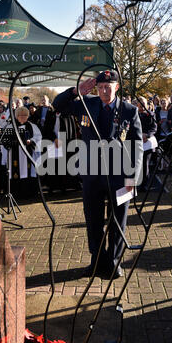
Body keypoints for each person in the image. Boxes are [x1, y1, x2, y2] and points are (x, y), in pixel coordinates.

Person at [53, 69, 143, 279]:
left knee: (118, 220)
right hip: (92, 175)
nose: (104, 91)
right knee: (93, 220)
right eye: (101, 87)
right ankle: (96, 260)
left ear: (117, 87)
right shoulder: (86, 103)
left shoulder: (129, 110)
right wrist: (75, 91)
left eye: (108, 87)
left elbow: (137, 146)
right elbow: (57, 106)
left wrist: (133, 177)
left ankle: (113, 262)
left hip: (121, 177)